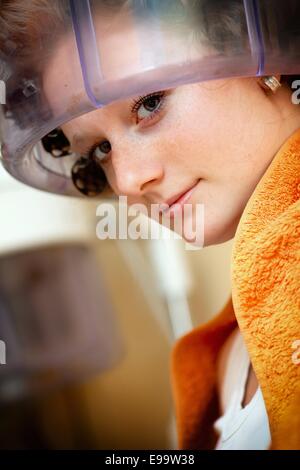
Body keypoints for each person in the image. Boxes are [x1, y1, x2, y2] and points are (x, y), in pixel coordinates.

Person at [0, 0, 299, 450]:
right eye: (100, 149)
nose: (127, 181)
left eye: (150, 102)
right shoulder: (230, 359)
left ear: (264, 45)